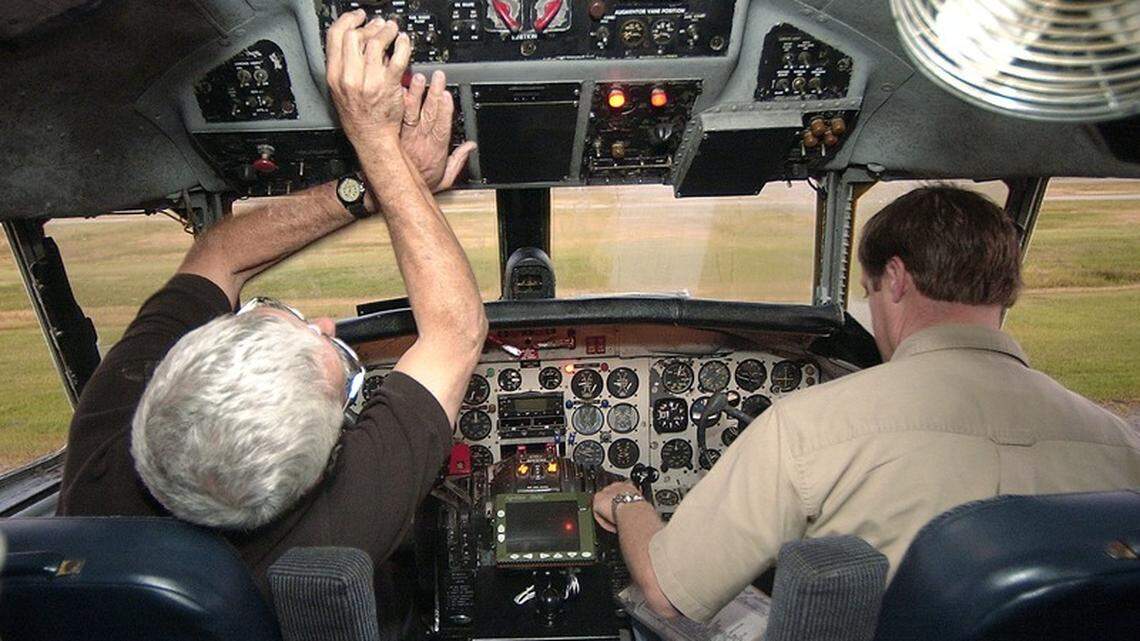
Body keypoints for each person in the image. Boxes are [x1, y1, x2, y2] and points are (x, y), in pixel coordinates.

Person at [56, 10, 486, 626]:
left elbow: (217, 255)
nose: (328, 326)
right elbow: (458, 330)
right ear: (324, 468)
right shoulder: (333, 534)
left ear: (163, 376)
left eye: (274, 316)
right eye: (343, 373)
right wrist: (375, 138)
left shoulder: (104, 443)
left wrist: (366, 185)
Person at [594, 186, 1140, 622]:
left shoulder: (811, 428)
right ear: (1006, 288)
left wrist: (626, 502)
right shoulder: (1122, 446)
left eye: (869, 291)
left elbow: (668, 590)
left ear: (896, 279)